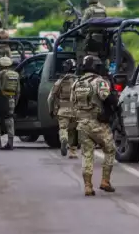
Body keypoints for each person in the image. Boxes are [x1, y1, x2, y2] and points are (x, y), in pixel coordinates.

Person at [71, 54, 116, 195]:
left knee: (87, 154)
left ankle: (88, 186)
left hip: (82, 124)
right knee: (110, 149)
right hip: (98, 123)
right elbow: (106, 97)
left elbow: (73, 103)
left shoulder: (76, 83)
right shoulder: (99, 82)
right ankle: (105, 181)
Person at [47, 58, 79, 158]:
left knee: (63, 128)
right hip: (76, 111)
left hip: (63, 110)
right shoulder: (80, 82)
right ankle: (73, 152)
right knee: (73, 131)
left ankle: (64, 138)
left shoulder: (60, 81)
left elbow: (51, 98)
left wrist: (51, 110)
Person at [0, 56, 20, 150]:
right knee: (10, 121)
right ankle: (10, 143)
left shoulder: (1, 74)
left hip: (1, 100)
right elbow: (18, 91)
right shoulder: (16, 74)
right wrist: (15, 101)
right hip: (11, 100)